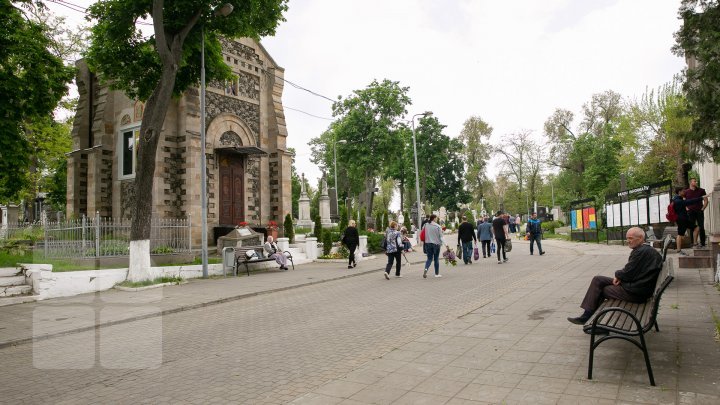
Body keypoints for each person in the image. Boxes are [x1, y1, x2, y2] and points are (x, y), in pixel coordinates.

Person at [568, 227, 663, 325]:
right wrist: (620, 276)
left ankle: (596, 323)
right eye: (627, 238)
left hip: (636, 293)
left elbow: (627, 273)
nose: (628, 241)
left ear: (640, 238)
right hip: (638, 286)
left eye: (630, 238)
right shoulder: (645, 249)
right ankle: (588, 317)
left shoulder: (641, 252)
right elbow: (629, 271)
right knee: (598, 280)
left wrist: (618, 275)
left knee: (602, 290)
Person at [671, 187, 705, 255]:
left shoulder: (677, 199)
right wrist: (701, 198)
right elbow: (689, 202)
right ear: (679, 192)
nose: (684, 192)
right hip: (681, 220)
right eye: (683, 191)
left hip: (684, 219)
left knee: (696, 228)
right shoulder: (678, 200)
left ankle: (695, 244)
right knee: (680, 235)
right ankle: (679, 250)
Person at [684, 177, 708, 248]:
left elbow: (706, 200)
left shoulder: (701, 190)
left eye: (696, 181)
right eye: (694, 181)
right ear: (691, 182)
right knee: (692, 227)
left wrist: (702, 209)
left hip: (699, 211)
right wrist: (687, 209)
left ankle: (703, 243)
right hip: (691, 212)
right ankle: (693, 243)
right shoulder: (686, 192)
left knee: (701, 227)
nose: (696, 182)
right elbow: (684, 202)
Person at [422, 214, 444, 278]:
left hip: (427, 244)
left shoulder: (425, 225)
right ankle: (436, 274)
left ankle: (426, 269)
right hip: (436, 245)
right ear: (434, 218)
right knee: (436, 259)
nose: (437, 219)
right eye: (436, 218)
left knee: (429, 259)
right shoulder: (438, 226)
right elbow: (441, 237)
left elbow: (423, 232)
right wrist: (446, 245)